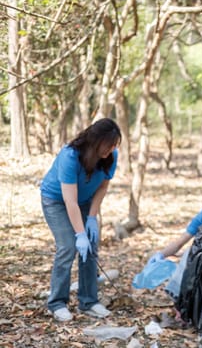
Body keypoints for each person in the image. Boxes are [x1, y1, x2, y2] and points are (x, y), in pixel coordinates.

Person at [40, 118, 121, 322]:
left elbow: (102, 187)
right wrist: (79, 233)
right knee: (68, 246)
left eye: (114, 145)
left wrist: (92, 218)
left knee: (91, 246)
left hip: (85, 201)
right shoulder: (70, 156)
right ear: (95, 140)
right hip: (56, 200)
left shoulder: (111, 156)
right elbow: (69, 200)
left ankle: (89, 301)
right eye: (108, 145)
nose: (111, 150)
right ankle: (57, 302)